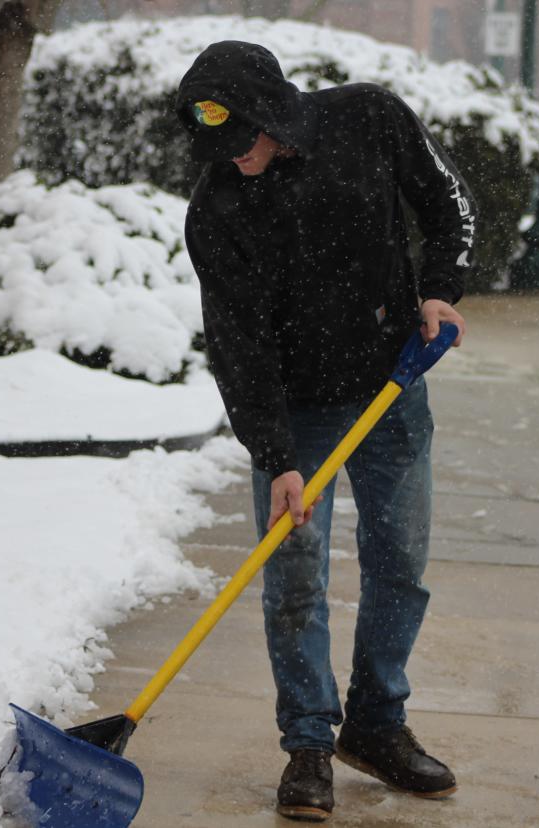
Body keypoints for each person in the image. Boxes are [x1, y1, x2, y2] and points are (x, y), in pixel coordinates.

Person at [176, 40, 474, 822]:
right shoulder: (217, 209)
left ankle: (377, 725)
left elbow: (449, 208)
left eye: (240, 142)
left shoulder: (367, 119)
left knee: (400, 562)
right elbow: (237, 348)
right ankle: (309, 743)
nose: (233, 162)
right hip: (297, 411)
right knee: (295, 578)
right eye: (217, 150)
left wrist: (438, 292)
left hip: (392, 385)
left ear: (272, 115)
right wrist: (275, 458)